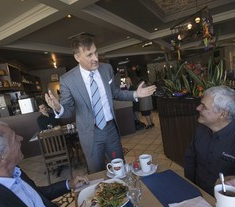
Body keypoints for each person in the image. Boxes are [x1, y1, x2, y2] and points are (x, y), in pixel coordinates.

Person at [45, 34, 156, 173]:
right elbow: (68, 109)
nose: (95, 58)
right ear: (77, 57)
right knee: (97, 172)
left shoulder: (106, 69)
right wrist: (58, 107)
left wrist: (135, 94)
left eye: (96, 52)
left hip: (111, 130)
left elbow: (116, 93)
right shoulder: (68, 80)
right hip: (90, 134)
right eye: (89, 55)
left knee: (119, 168)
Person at [0, 119, 92, 207]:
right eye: (14, 138)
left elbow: (35, 194)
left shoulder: (12, 170)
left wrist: (68, 184)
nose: (21, 138)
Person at [184, 85, 235, 207]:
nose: (198, 108)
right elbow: (190, 159)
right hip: (197, 200)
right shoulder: (201, 130)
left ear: (223, 113)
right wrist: (190, 190)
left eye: (204, 106)